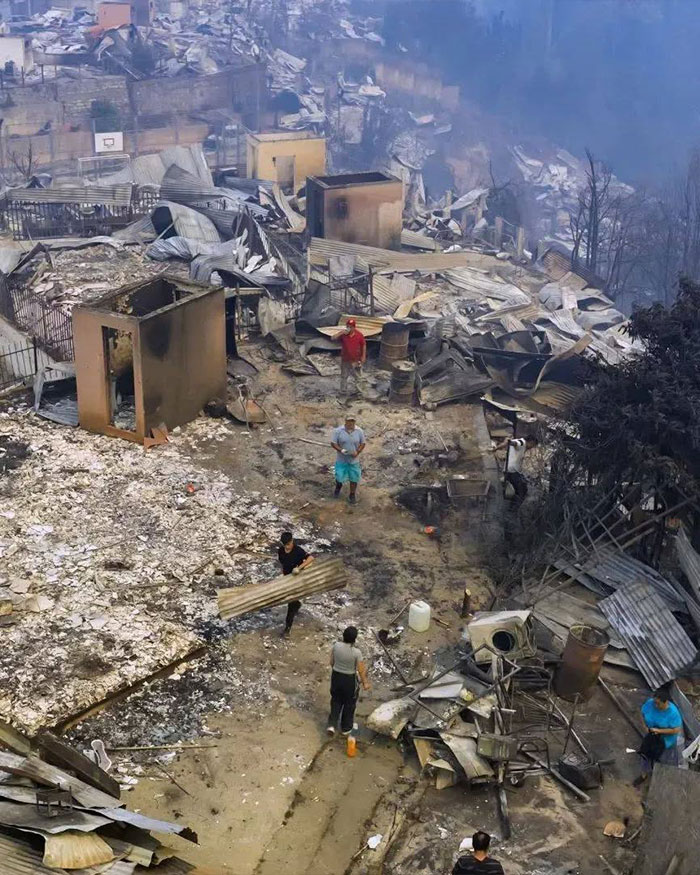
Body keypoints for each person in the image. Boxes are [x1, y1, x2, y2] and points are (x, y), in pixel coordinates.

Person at [634, 686, 683, 786]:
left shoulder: (673, 713)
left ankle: (658, 776)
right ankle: (644, 775)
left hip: (665, 740)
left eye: (658, 703)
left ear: (666, 702)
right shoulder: (650, 703)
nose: (655, 705)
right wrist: (644, 726)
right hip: (651, 735)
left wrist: (659, 731)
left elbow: (676, 730)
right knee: (645, 754)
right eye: (655, 702)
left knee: (660, 758)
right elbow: (641, 713)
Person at [327, 626, 370, 737]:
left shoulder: (336, 646)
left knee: (335, 700)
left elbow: (331, 662)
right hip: (349, 680)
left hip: (336, 677)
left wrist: (338, 670)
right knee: (349, 703)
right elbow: (361, 669)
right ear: (354, 639)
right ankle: (346, 728)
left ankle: (332, 725)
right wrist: (365, 682)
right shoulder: (356, 652)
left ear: (343, 636)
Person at [277, 531, 314, 637]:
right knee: (291, 600)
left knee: (291, 603)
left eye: (289, 544)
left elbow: (311, 558)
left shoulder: (298, 551)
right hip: (287, 578)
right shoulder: (281, 551)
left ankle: (287, 629)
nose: (288, 546)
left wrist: (299, 568)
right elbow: (283, 564)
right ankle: (297, 604)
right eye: (286, 545)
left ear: (292, 541)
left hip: (297, 578)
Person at [494, 434, 538, 508]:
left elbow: (507, 443)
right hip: (512, 471)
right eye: (532, 445)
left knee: (519, 488)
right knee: (522, 490)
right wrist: (510, 442)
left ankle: (512, 505)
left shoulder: (520, 442)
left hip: (511, 470)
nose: (531, 448)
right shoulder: (522, 442)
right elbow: (515, 443)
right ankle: (513, 508)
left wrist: (496, 448)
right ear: (531, 442)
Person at [331, 415, 366, 505]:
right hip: (341, 459)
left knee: (354, 478)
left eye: (352, 421)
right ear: (345, 421)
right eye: (349, 421)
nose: (351, 423)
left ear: (355, 422)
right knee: (339, 476)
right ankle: (338, 486)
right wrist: (341, 450)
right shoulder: (338, 431)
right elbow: (333, 443)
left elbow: (363, 443)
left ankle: (352, 495)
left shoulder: (359, 431)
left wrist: (357, 452)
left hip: (354, 460)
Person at [334, 318, 366, 396]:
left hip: (356, 360)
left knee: (358, 376)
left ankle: (359, 392)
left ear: (354, 327)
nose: (349, 328)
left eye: (350, 327)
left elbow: (363, 345)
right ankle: (343, 391)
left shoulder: (359, 335)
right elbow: (333, 338)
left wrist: (363, 356)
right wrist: (341, 333)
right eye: (347, 326)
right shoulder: (343, 335)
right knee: (344, 376)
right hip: (345, 359)